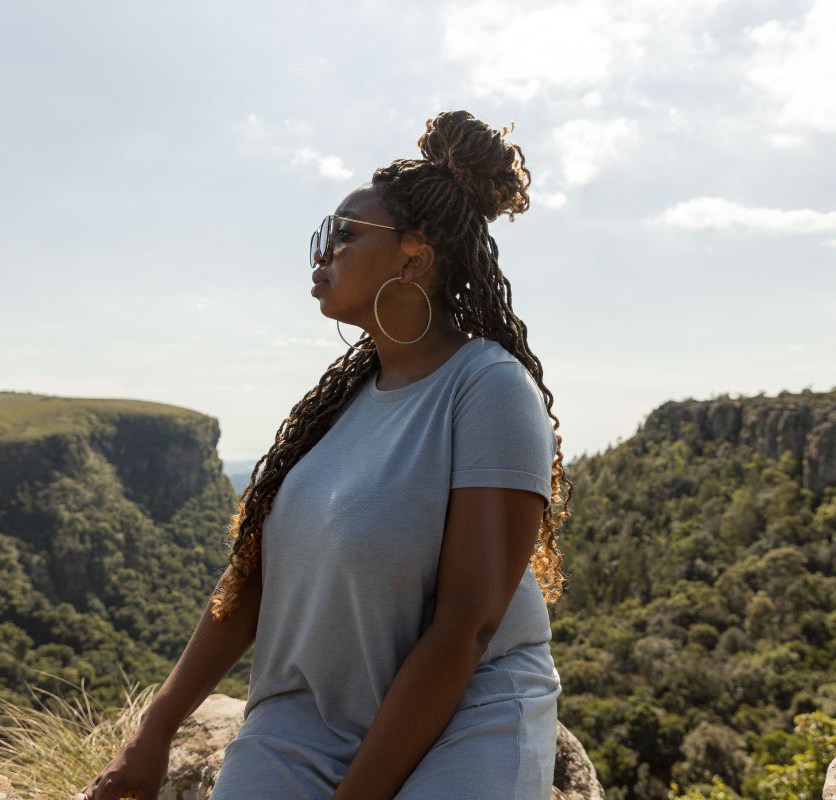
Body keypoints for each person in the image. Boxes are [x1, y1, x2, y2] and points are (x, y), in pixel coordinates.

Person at [80, 110, 571, 800]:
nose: (321, 254)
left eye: (343, 235)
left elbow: (468, 624)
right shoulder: (338, 405)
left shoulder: (488, 388)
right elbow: (250, 586)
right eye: (322, 235)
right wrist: (154, 730)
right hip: (305, 726)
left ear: (414, 254)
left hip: (466, 718)